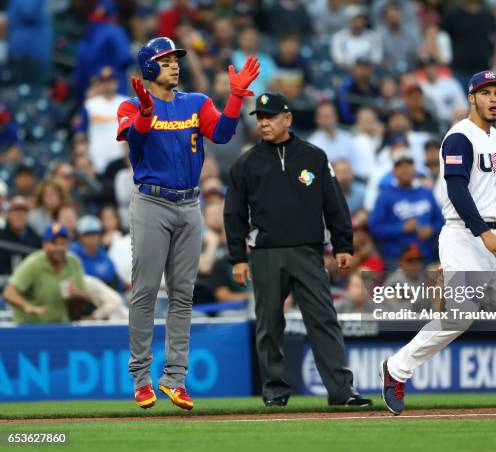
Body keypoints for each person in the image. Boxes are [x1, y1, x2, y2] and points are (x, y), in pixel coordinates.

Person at [379, 71, 496, 416]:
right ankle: (396, 368)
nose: (494, 98)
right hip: (465, 234)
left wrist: (494, 232)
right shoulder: (459, 137)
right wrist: (483, 232)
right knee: (459, 318)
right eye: (486, 92)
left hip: (494, 233)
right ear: (471, 98)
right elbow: (456, 189)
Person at [115, 37, 260, 411]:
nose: (175, 65)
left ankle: (175, 379)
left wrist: (236, 98)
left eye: (176, 59)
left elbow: (224, 134)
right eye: (165, 61)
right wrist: (146, 112)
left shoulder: (196, 103)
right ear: (149, 68)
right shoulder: (130, 105)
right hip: (151, 202)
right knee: (146, 291)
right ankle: (142, 378)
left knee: (183, 295)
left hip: (189, 203)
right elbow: (135, 140)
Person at [224, 92, 372, 408]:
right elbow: (233, 214)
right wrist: (237, 257)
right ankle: (275, 391)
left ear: (287, 119)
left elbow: (334, 202)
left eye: (270, 116)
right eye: (260, 117)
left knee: (323, 320)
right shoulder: (245, 163)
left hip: (308, 250)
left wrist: (343, 243)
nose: (263, 122)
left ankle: (341, 390)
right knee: (269, 323)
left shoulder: (314, 156)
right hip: (265, 253)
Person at [2, 223, 90, 324]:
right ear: (44, 245)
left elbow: (85, 295)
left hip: (61, 325)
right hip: (29, 326)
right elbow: (9, 292)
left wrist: (77, 294)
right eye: (54, 243)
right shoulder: (33, 263)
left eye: (63, 243)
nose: (59, 248)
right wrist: (27, 306)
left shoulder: (74, 262)